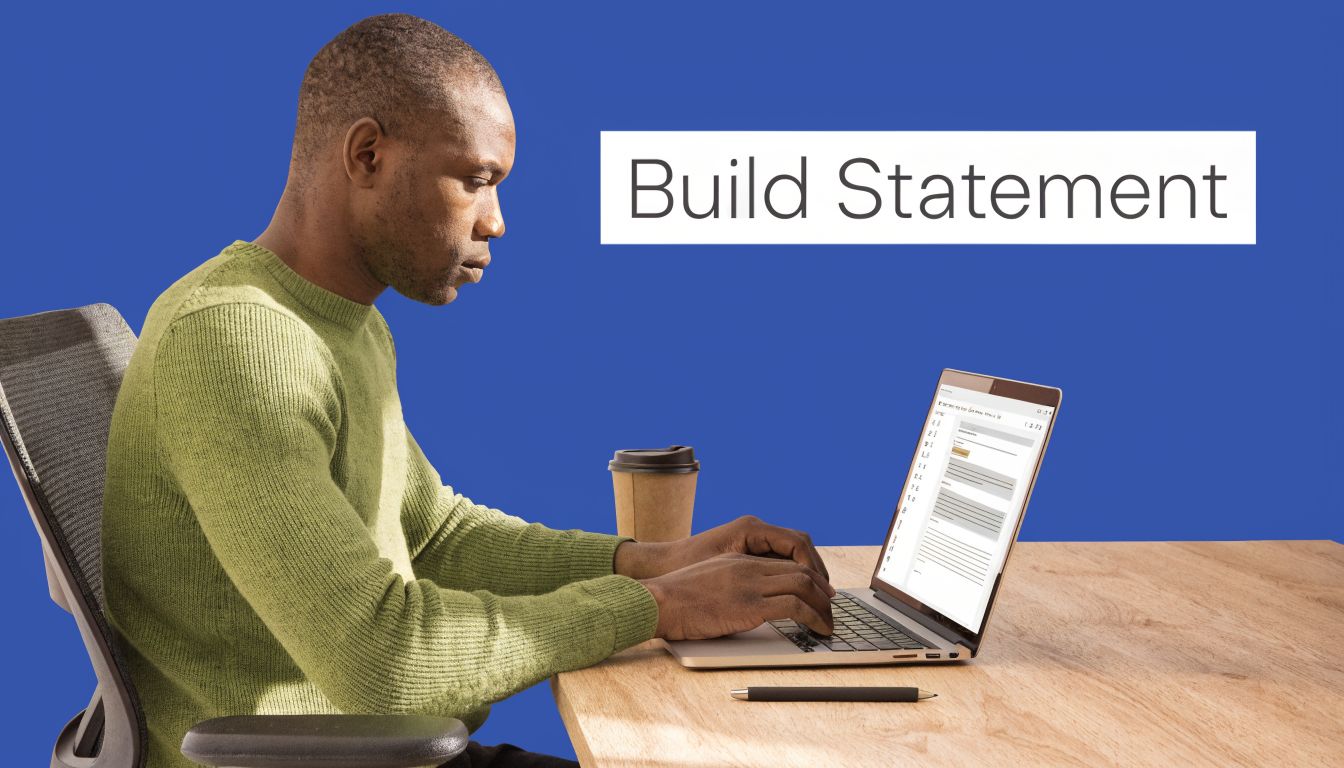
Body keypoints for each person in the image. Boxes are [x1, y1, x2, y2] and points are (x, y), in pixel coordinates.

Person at [101, 13, 834, 768]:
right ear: (367, 154)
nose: (497, 222)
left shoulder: (345, 324)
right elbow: (383, 664)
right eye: (476, 180)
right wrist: (659, 607)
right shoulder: (235, 340)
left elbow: (434, 537)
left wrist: (658, 561)